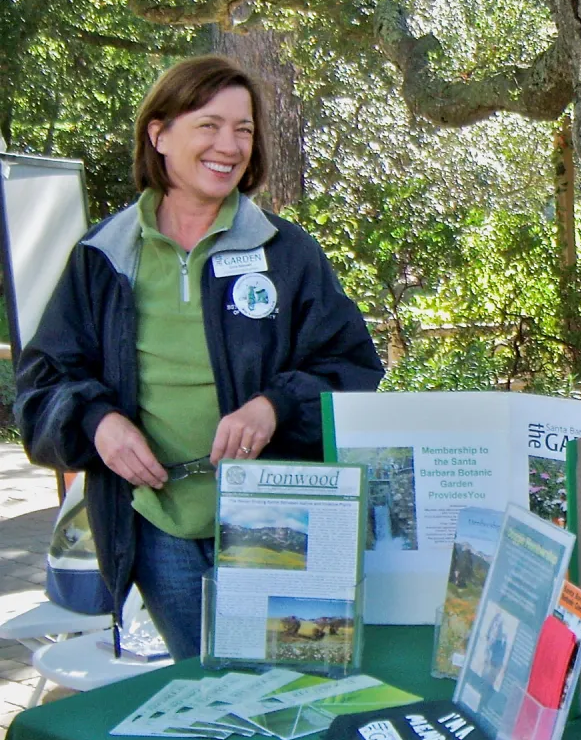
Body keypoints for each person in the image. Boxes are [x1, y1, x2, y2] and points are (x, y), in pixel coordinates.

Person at [17, 56, 383, 659]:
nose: (230, 145)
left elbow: (352, 367)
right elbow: (41, 384)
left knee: (294, 680)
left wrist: (273, 405)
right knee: (213, 694)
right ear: (158, 134)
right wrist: (97, 422)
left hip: (280, 521)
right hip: (162, 532)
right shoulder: (103, 257)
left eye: (243, 129)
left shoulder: (285, 253)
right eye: (209, 125)